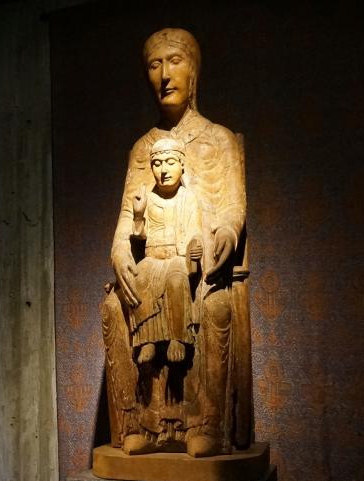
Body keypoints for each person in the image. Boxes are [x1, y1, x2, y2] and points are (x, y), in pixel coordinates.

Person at [101, 28, 251, 458]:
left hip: (202, 271)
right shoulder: (143, 149)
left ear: (194, 70)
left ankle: (205, 424)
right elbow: (126, 219)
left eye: (175, 61)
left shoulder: (218, 140)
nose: (165, 75)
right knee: (113, 308)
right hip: (154, 262)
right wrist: (118, 253)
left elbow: (233, 210)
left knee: (214, 307)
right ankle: (139, 425)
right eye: (154, 65)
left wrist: (226, 234)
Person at [128, 137, 202, 365]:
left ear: (182, 164)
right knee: (139, 279)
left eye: (170, 162)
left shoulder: (187, 198)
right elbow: (140, 234)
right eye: (157, 164)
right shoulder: (148, 198)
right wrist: (139, 214)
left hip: (177, 257)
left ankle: (178, 337)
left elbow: (195, 231)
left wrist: (195, 246)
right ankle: (148, 340)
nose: (163, 170)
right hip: (152, 256)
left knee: (176, 281)